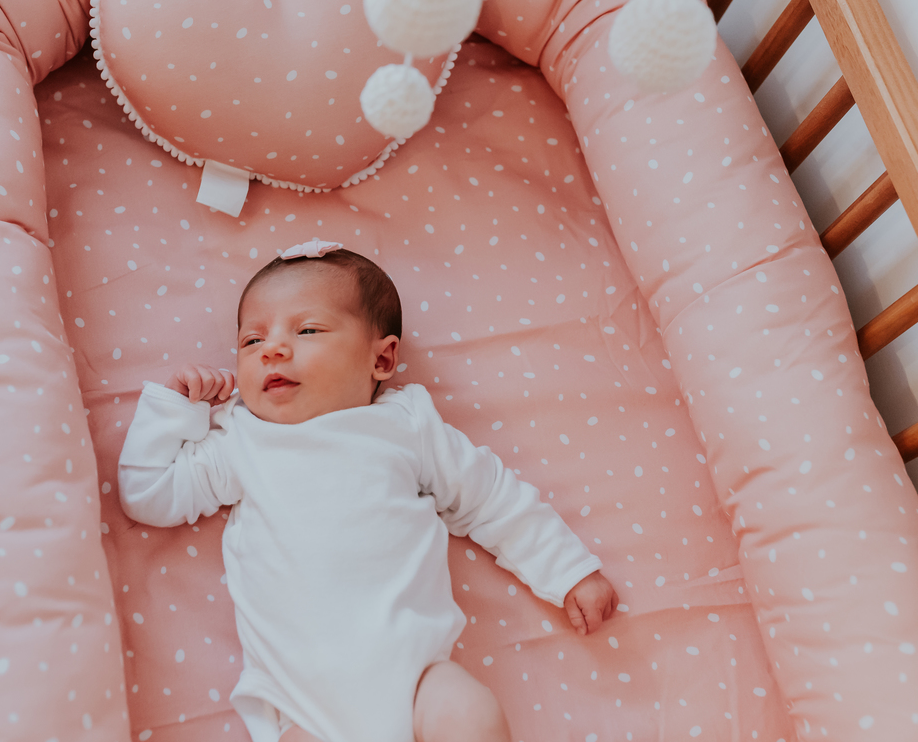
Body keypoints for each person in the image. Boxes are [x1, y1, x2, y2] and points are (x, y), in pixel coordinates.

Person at [118, 241, 618, 742]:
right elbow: (149, 494)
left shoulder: (408, 425)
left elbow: (492, 497)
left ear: (381, 358)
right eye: (251, 341)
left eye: (307, 330)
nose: (271, 348)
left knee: (469, 715)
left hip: (417, 676)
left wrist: (568, 571)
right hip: (302, 703)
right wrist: (176, 411)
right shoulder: (242, 439)